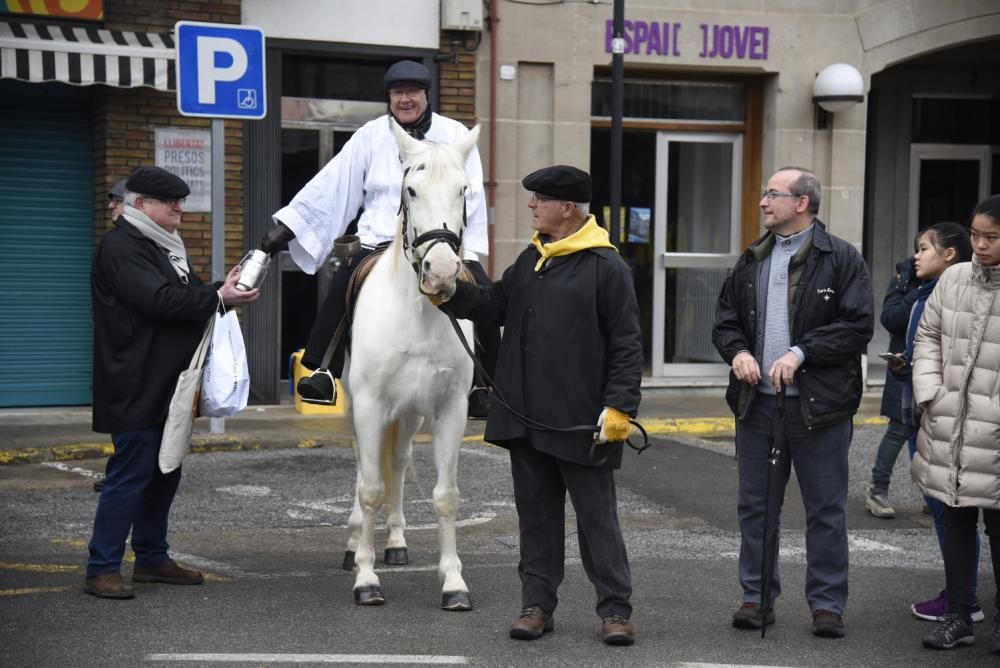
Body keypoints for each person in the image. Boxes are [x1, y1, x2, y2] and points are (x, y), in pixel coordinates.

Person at [439, 165, 643, 646]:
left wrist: (619, 407)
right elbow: (494, 305)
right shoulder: (531, 260)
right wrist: (450, 292)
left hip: (581, 422)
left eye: (539, 199)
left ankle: (615, 611)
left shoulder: (606, 267)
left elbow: (627, 344)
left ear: (566, 209)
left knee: (598, 522)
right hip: (525, 417)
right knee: (536, 518)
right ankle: (537, 606)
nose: (531, 206)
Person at [262, 59, 497, 417]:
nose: (405, 99)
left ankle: (485, 383)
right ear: (389, 98)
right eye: (397, 93)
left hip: (442, 240)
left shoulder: (455, 136)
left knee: (481, 294)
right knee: (344, 284)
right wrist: (292, 224)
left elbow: (471, 194)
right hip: (380, 242)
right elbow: (335, 184)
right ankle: (322, 371)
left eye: (412, 92)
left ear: (425, 95)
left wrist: (464, 250)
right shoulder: (370, 135)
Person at [712, 167, 874, 638]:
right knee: (755, 508)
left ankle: (827, 605)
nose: (763, 202)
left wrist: (801, 353)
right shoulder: (752, 259)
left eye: (772, 194)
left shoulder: (842, 258)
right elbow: (725, 321)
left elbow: (857, 326)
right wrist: (739, 353)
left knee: (825, 510)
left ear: (801, 203)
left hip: (819, 408)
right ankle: (755, 598)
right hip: (757, 407)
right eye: (764, 194)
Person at [85, 166, 259, 599]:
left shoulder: (163, 246)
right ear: (141, 205)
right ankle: (101, 567)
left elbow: (188, 295)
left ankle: (151, 557)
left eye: (181, 200)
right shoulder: (122, 245)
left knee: (165, 469)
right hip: (135, 380)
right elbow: (157, 301)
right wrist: (218, 296)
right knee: (130, 473)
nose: (180, 207)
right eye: (171, 202)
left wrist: (224, 287)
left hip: (167, 382)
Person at [911, 195, 1000, 655]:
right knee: (957, 524)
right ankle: (958, 617)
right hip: (951, 426)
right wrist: (929, 391)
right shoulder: (955, 277)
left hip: (995, 435)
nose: (980, 245)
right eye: (975, 235)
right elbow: (927, 335)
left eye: (991, 237)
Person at [882, 223, 980, 623]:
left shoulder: (957, 295)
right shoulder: (925, 292)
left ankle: (965, 598)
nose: (916, 256)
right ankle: (960, 593)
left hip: (937, 416)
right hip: (918, 413)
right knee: (941, 509)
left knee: (950, 513)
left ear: (950, 254)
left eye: (924, 249)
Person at [864, 251, 920, 519]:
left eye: (926, 249)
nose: (919, 256)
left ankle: (933, 496)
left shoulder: (954, 281)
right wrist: (914, 288)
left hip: (939, 370)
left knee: (933, 435)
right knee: (899, 429)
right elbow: (892, 319)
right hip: (904, 365)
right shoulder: (904, 279)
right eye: (918, 249)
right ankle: (878, 491)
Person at [93, 178, 130, 495]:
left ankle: (119, 477)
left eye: (116, 200)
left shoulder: (129, 244)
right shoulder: (117, 244)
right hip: (121, 357)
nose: (110, 206)